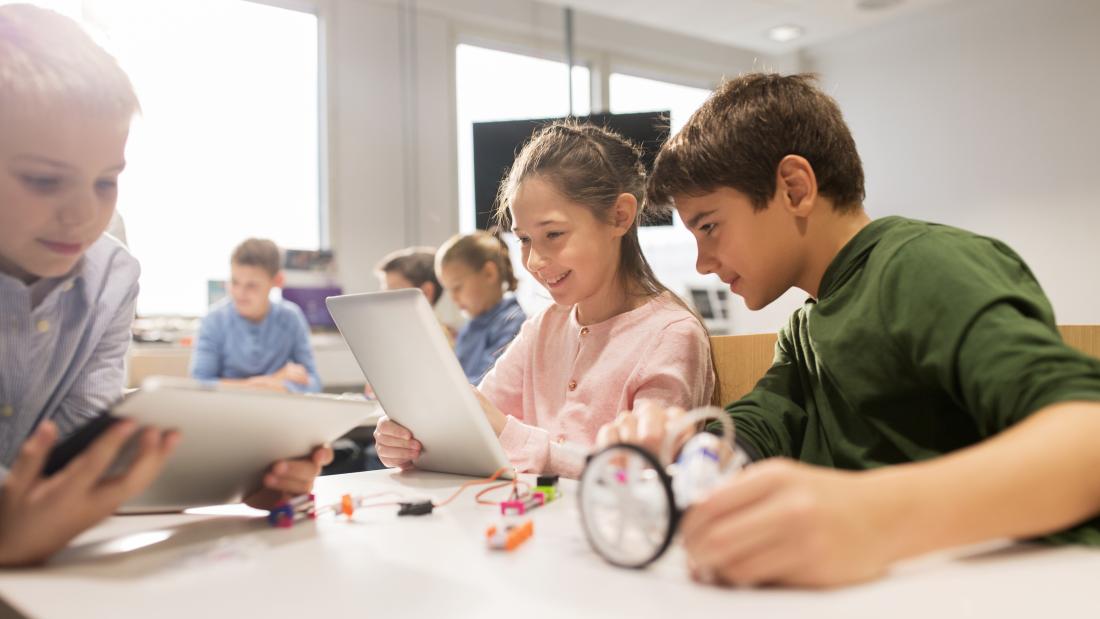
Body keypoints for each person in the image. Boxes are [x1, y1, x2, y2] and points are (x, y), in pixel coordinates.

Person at [596, 72, 1100, 588]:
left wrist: (876, 515)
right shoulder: (807, 323)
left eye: (709, 226)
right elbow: (766, 420)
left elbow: (1088, 433)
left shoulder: (921, 267)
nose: (702, 263)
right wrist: (690, 450)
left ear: (794, 188)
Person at [0, 4, 330, 566]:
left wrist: (232, 474)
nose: (84, 214)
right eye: (43, 179)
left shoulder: (112, 276)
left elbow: (83, 452)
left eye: (107, 181)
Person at [374, 122, 715, 478]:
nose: (534, 261)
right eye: (523, 239)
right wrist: (413, 440)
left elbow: (640, 475)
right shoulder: (544, 328)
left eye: (553, 234)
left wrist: (509, 435)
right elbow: (474, 423)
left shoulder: (671, 335)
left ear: (620, 216)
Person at [190, 238, 321, 393]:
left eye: (251, 285)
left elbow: (314, 382)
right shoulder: (213, 320)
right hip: (226, 410)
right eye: (235, 282)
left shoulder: (291, 318)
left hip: (276, 411)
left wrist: (284, 386)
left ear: (277, 281)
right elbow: (200, 384)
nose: (240, 293)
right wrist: (271, 381)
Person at [435, 231, 526, 383]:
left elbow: (488, 383)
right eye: (449, 290)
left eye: (457, 287)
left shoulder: (514, 323)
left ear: (489, 273)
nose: (453, 298)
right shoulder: (469, 329)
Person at [375, 246, 457, 345]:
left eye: (393, 292)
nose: (384, 301)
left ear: (426, 292)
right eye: (384, 292)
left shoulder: (441, 340)